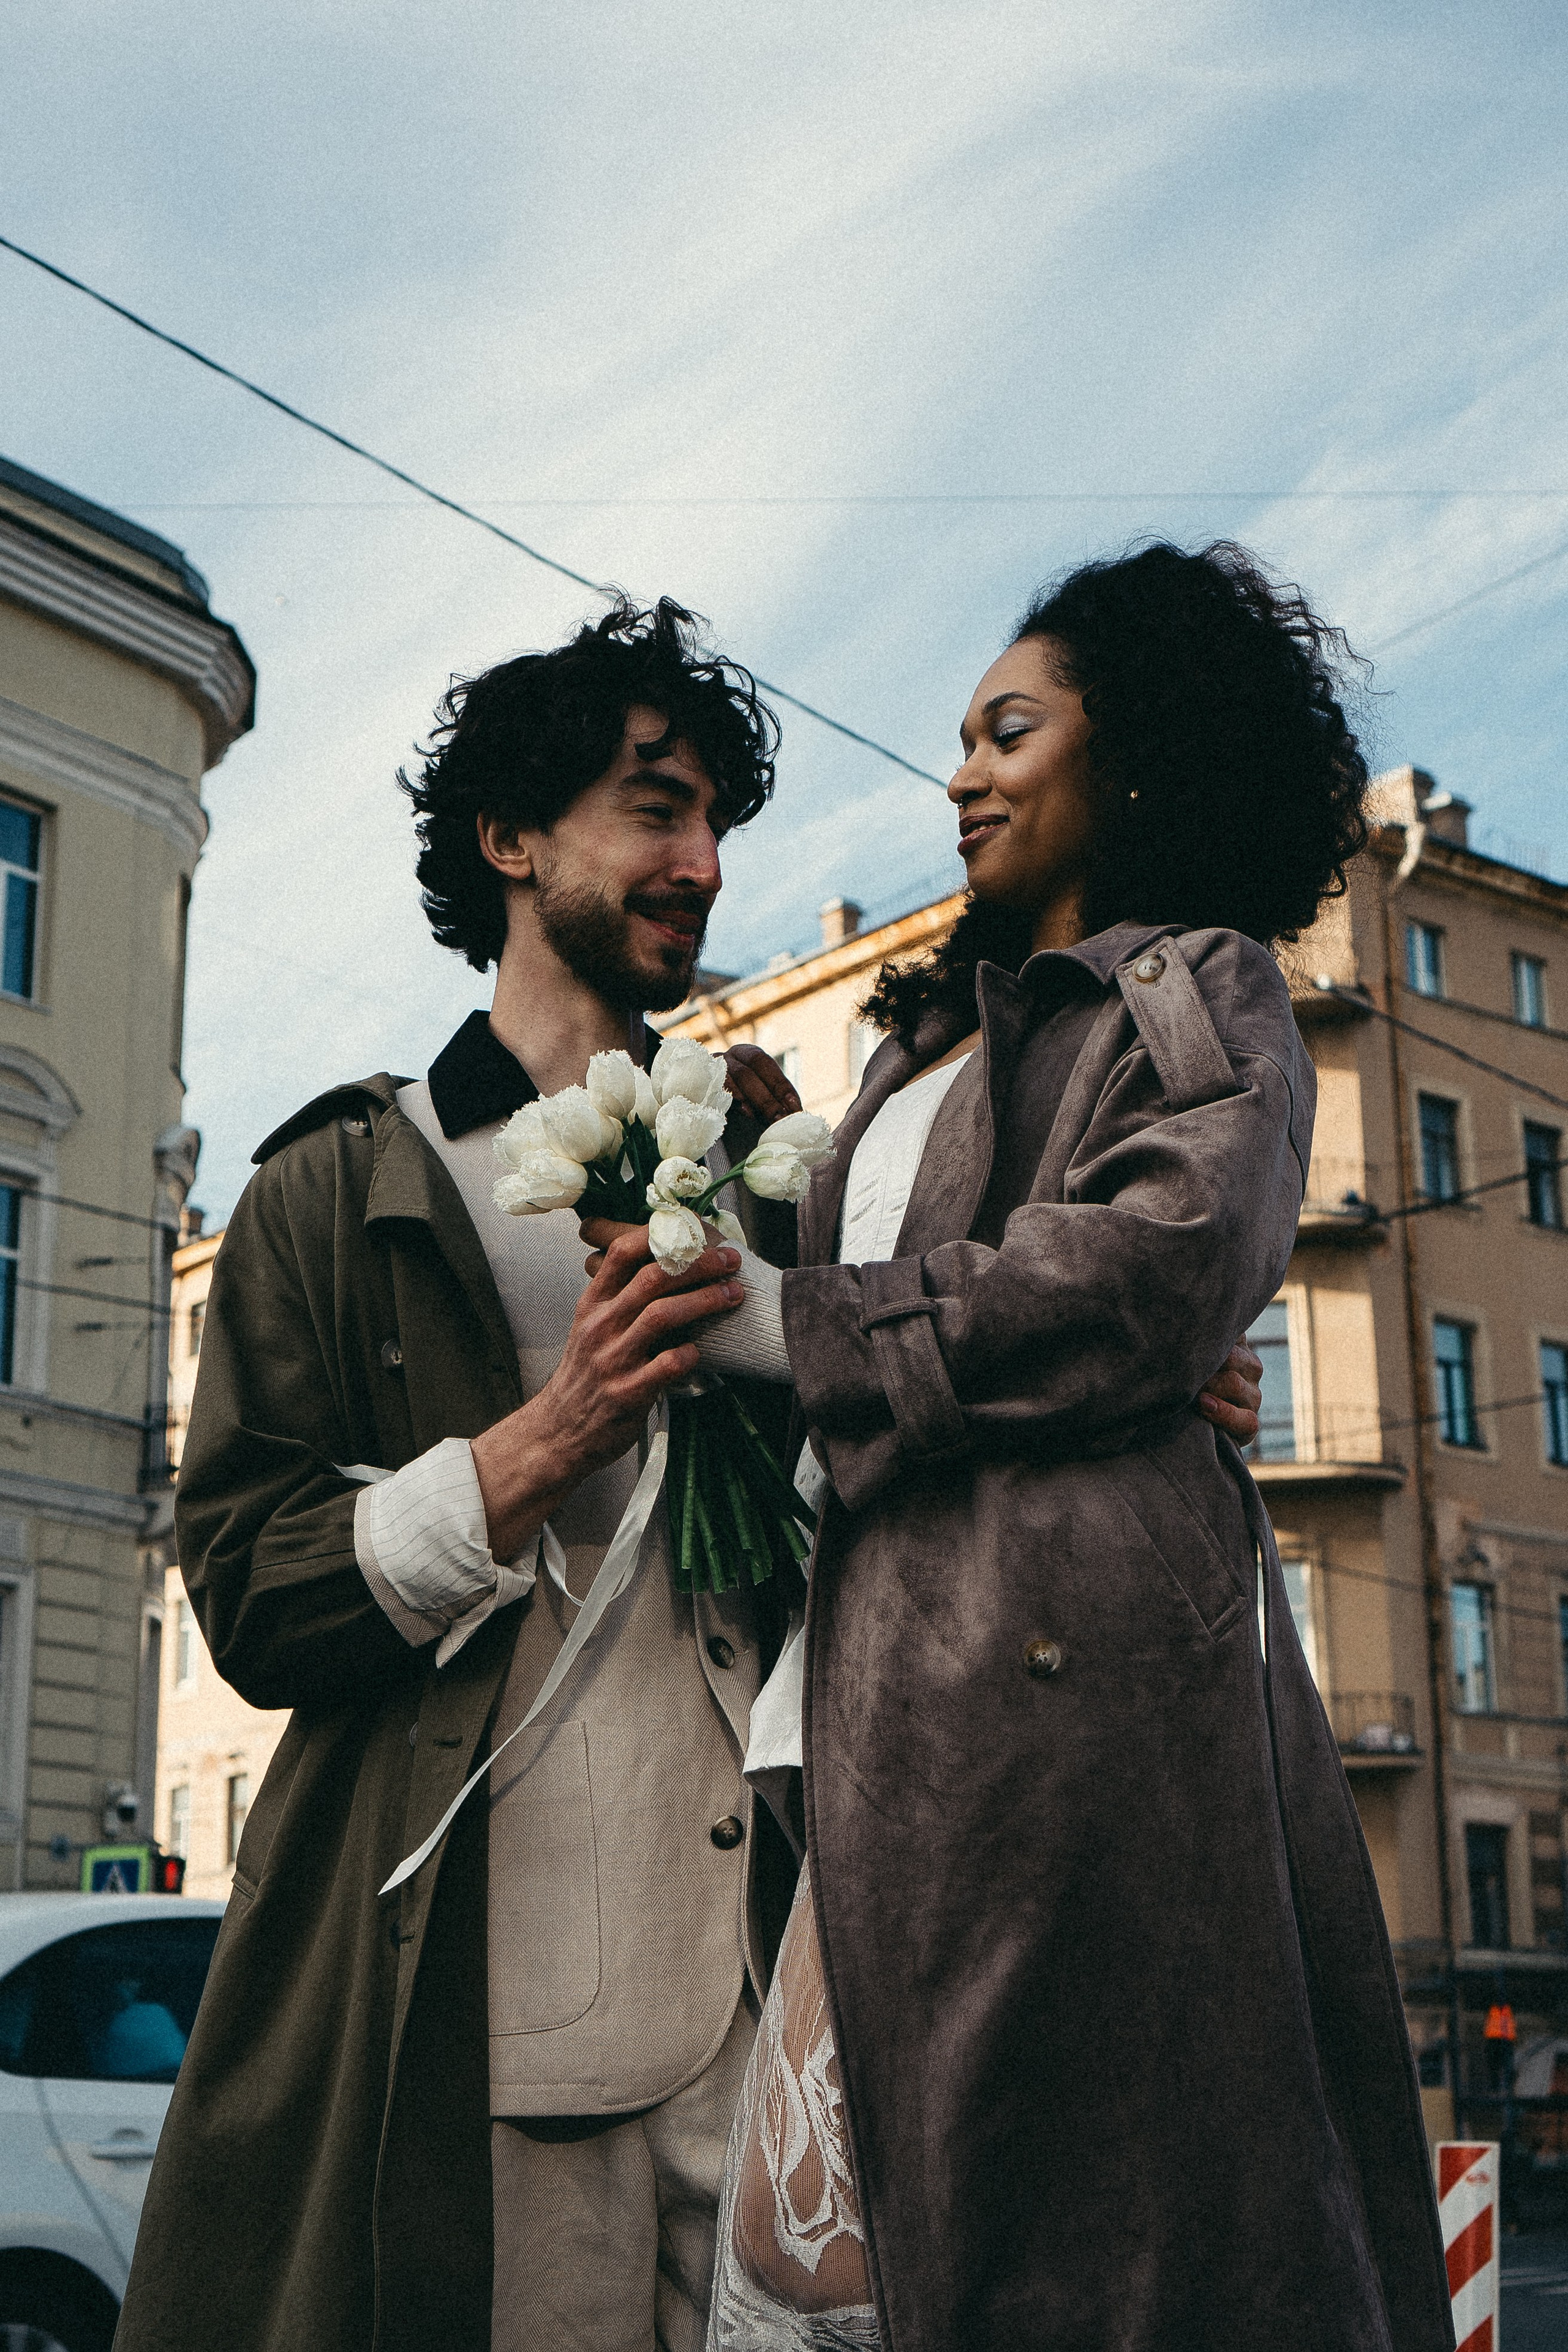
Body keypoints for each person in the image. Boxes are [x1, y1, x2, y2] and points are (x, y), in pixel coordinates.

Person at [118, 594, 1263, 2352]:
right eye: (657, 807)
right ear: (510, 838)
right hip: (497, 2051)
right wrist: (536, 1446)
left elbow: (932, 1391)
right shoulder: (336, 1188)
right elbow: (256, 1596)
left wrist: (1121, 1407)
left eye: (719, 821)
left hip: (811, 2013)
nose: (706, 861)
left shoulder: (800, 1172)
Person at [589, 545, 1452, 2351]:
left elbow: (1147, 1268)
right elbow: (878, 1349)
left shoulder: (1192, 989)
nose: (963, 775)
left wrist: (783, 1317)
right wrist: (718, 1274)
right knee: (841, 2278)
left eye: (1007, 730)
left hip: (1065, 1718)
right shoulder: (912, 1053)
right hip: (867, 1704)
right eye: (960, 742)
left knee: (1072, 2263)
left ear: (1125, 757)